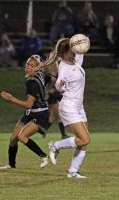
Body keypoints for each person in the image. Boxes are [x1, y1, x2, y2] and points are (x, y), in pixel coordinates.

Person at [0, 54, 54, 169]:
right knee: (13, 140)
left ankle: (44, 156)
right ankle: (11, 165)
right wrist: (50, 89)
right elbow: (53, 80)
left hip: (40, 113)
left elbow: (29, 104)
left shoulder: (32, 83)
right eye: (28, 64)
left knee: (22, 137)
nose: (28, 67)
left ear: (37, 68)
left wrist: (11, 98)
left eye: (32, 65)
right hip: (30, 112)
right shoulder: (42, 74)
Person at [47, 37, 91, 178]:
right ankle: (55, 146)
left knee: (82, 142)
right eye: (71, 51)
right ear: (64, 53)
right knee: (85, 139)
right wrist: (61, 83)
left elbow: (81, 45)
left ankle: (73, 172)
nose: (74, 53)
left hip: (78, 106)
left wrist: (79, 41)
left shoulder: (76, 61)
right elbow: (59, 86)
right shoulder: (64, 67)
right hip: (69, 106)